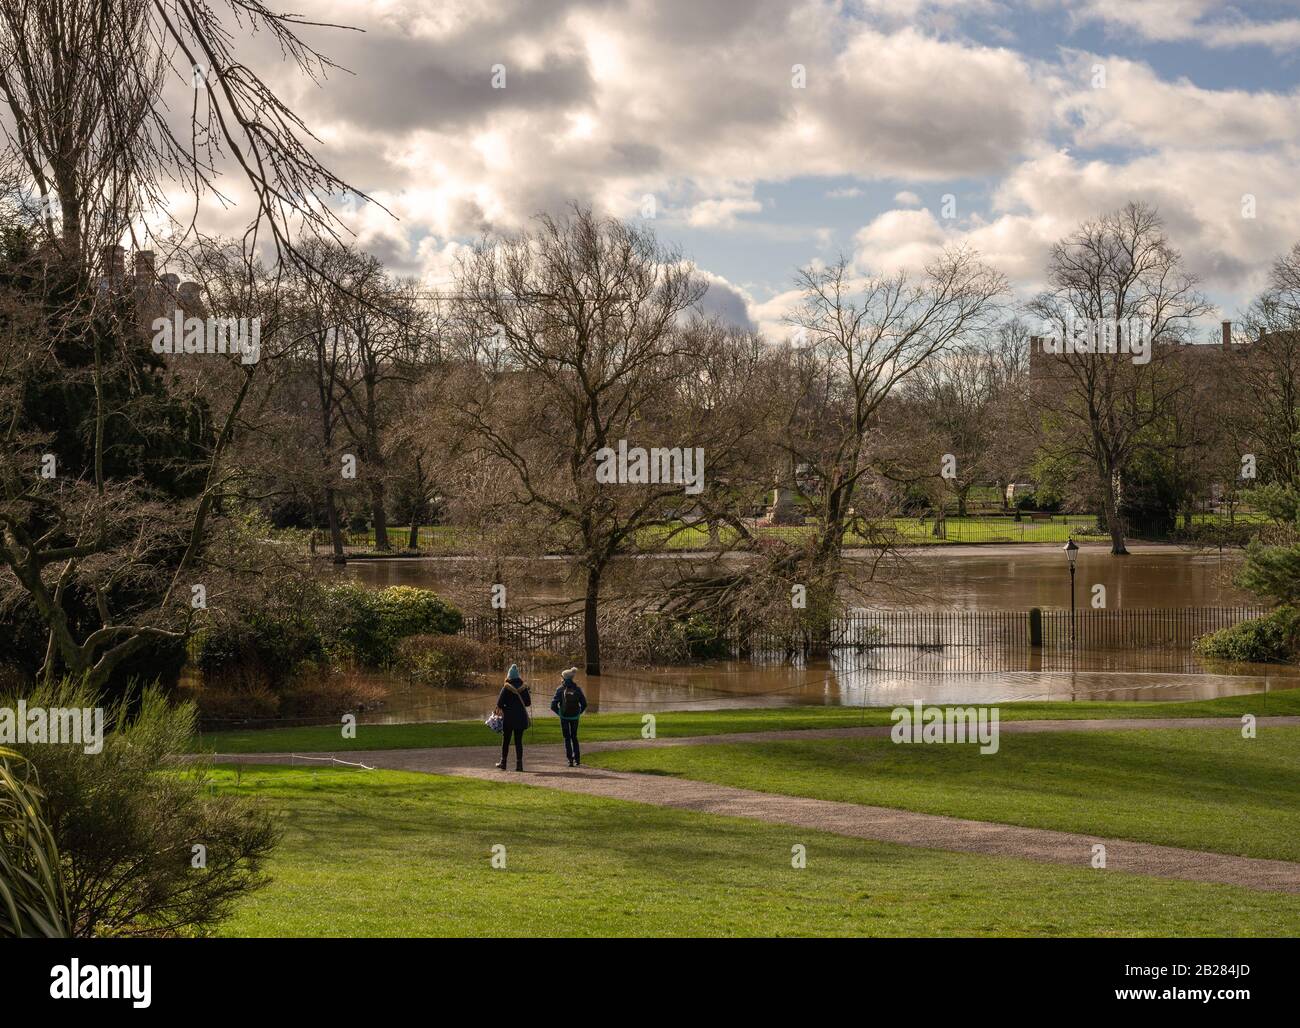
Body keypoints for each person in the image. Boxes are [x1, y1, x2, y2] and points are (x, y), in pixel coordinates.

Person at [494, 664, 531, 771]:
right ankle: (519, 765)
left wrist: (506, 706)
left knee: (506, 741)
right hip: (520, 718)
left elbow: (499, 704)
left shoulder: (506, 687)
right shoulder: (524, 687)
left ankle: (503, 762)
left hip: (508, 719)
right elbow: (528, 703)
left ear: (509, 676)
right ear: (518, 676)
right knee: (518, 742)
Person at [549, 667, 588, 767]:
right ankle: (577, 760)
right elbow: (584, 704)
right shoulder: (578, 689)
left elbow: (553, 705)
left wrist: (560, 714)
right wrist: (579, 713)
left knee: (567, 738)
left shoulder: (560, 689)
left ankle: (570, 760)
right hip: (575, 717)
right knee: (574, 737)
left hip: (564, 718)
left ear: (564, 678)